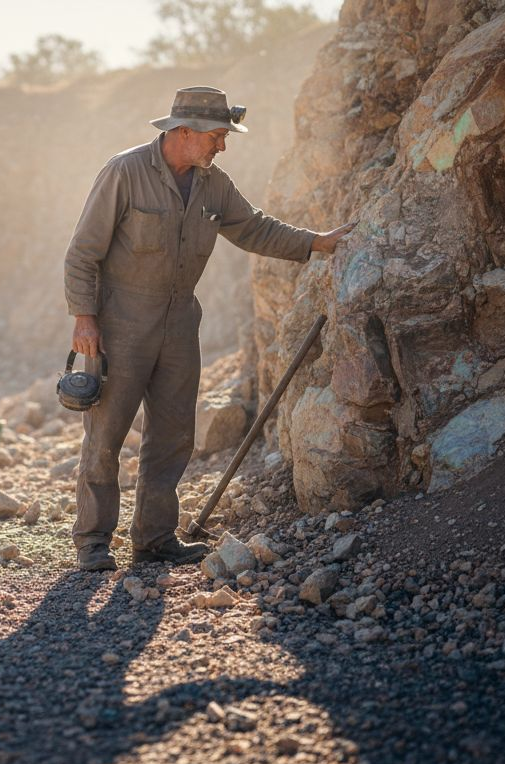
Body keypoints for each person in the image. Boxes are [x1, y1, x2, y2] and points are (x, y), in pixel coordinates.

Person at [63, 86, 355, 571]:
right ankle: (93, 542)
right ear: (184, 132)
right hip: (120, 325)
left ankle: (154, 540)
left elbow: (254, 227)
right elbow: (82, 252)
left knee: (174, 435)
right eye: (217, 136)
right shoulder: (125, 171)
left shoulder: (213, 183)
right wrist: (84, 318)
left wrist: (316, 243)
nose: (222, 146)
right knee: (106, 435)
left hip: (180, 323)